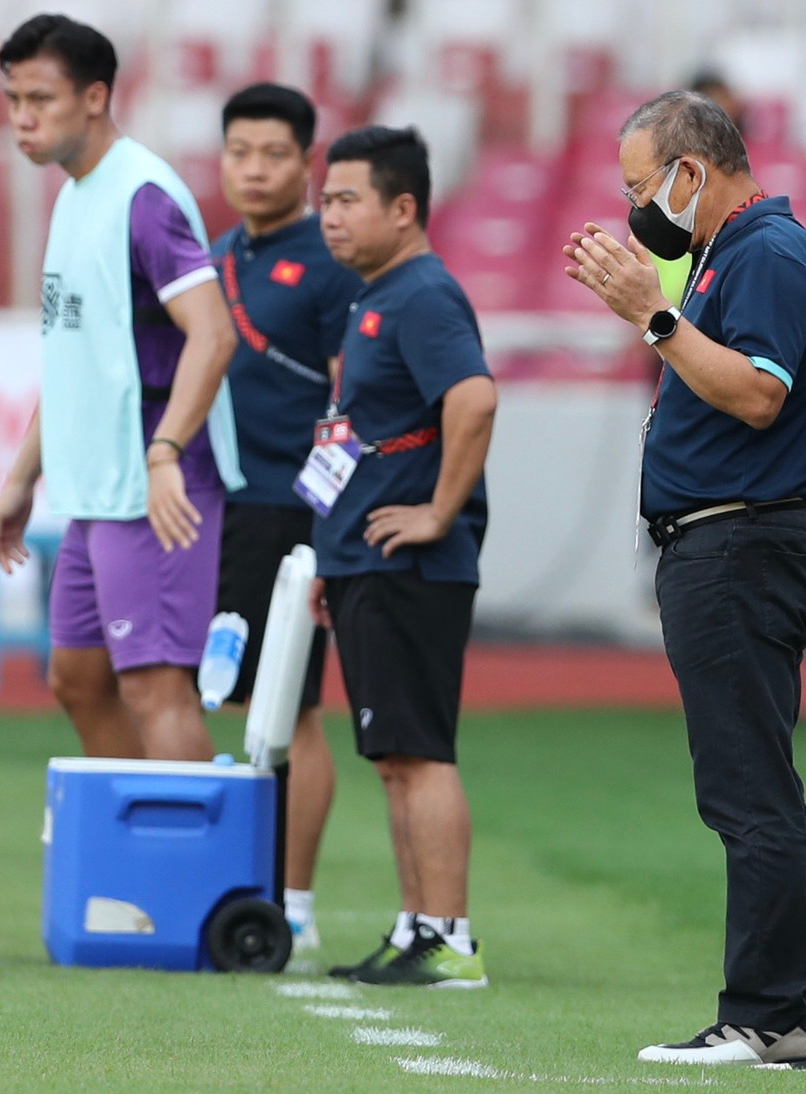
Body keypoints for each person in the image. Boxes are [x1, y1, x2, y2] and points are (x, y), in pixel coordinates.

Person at [563, 90, 806, 1068]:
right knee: (746, 783)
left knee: (748, 788)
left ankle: (766, 1015)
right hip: (721, 545)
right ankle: (773, 1012)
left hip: (738, 546)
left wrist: (653, 313)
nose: (638, 204)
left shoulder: (762, 252)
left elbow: (758, 393)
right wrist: (655, 299)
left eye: (645, 184)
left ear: (693, 170)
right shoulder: (729, 251)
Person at [0, 14, 243, 762]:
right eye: (12, 100)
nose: (22, 119)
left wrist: (165, 453)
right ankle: (140, 845)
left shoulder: (144, 196)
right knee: (78, 680)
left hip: (153, 481)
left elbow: (214, 332)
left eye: (41, 99)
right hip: (96, 485)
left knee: (157, 689)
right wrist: (19, 478)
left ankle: (192, 874)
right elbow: (77, 361)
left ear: (95, 97)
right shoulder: (74, 196)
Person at [309, 125, 497, 988]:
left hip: (408, 565)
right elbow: (364, 438)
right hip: (364, 560)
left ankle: (450, 939)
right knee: (392, 756)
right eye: (328, 201)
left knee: (419, 751)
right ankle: (417, 927)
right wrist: (331, 555)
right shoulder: (377, 295)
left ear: (404, 207)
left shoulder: (422, 294)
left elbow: (475, 398)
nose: (330, 217)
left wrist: (438, 511)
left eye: (347, 200)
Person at [211, 82, 365, 953]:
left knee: (292, 711)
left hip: (295, 512)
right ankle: (231, 882)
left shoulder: (333, 261)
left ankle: (295, 906)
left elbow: (354, 392)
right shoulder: (219, 255)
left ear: (306, 163)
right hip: (217, 508)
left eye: (274, 153)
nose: (255, 168)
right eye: (240, 152)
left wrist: (325, 516)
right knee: (222, 696)